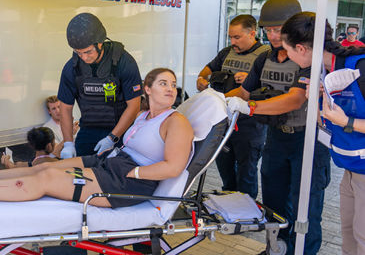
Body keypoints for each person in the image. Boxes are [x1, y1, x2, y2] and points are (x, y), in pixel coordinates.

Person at [225, 0, 331, 255]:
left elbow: (296, 99)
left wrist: (253, 109)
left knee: (304, 210)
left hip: (307, 141)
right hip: (276, 139)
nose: (272, 37)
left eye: (278, 30)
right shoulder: (265, 58)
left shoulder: (307, 56)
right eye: (267, 30)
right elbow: (244, 92)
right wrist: (215, 100)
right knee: (272, 206)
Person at [0, 69, 194, 209]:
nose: (171, 89)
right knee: (45, 166)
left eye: (173, 85)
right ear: (148, 89)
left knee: (47, 178)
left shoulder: (176, 121)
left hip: (128, 181)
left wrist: (135, 172)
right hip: (112, 160)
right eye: (164, 83)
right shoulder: (143, 116)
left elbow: (173, 167)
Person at [281, 11, 365, 255]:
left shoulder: (359, 67)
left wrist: (348, 121)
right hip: (351, 174)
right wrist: (315, 102)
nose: (288, 56)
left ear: (301, 49)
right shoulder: (327, 74)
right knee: (350, 244)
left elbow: (343, 121)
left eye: (288, 50)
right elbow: (326, 124)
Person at [196, 15, 269, 199]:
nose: (232, 41)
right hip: (224, 118)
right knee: (225, 167)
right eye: (230, 37)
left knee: (247, 172)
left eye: (237, 37)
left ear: (252, 33)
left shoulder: (266, 55)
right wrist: (201, 79)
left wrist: (253, 80)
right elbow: (207, 69)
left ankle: (245, 214)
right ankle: (228, 205)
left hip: (249, 122)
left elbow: (273, 88)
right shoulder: (227, 52)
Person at [58, 13, 142, 158]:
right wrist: (68, 143)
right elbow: (65, 107)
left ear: (100, 42)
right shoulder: (71, 68)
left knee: (113, 175)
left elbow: (134, 106)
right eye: (79, 53)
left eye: (88, 51)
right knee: (79, 175)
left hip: (121, 130)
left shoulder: (124, 62)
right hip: (88, 129)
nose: (84, 57)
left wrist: (112, 138)